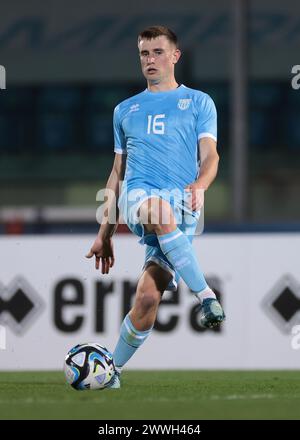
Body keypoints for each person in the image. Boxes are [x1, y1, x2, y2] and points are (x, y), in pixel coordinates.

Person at [86, 25, 225, 389]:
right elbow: (117, 173)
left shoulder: (199, 102)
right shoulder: (124, 110)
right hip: (141, 198)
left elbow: (211, 156)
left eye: (158, 52)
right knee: (156, 210)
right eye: (144, 54)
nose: (150, 60)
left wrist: (201, 184)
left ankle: (110, 371)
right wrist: (105, 232)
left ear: (175, 56)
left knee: (147, 299)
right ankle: (206, 296)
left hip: (184, 207)